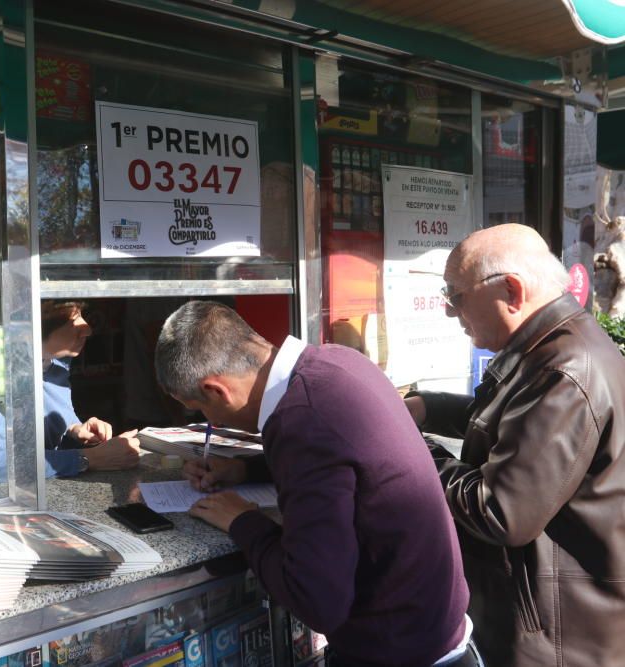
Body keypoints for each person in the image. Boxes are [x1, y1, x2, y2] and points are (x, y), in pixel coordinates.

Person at [155, 301, 475, 667]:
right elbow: (347, 460)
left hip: (397, 649)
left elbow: (316, 598)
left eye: (199, 410)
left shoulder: (300, 423)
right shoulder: (335, 361)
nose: (207, 419)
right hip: (438, 630)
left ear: (216, 390)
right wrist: (245, 470)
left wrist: (242, 521)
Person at [404, 223, 625, 666]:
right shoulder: (553, 347)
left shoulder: (565, 369)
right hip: (554, 623)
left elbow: (500, 510)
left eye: (456, 295)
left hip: (556, 640)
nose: (450, 311)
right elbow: (513, 424)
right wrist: (427, 406)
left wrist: (409, 449)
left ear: (511, 289)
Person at [0, 300, 140, 482]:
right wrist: (91, 458)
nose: (87, 329)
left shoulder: (56, 361)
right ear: (28, 329)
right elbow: (1, 465)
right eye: (73, 320)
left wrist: (74, 430)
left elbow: (51, 420)